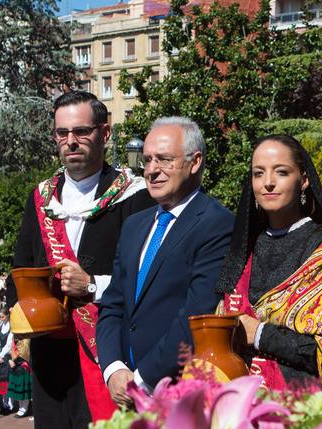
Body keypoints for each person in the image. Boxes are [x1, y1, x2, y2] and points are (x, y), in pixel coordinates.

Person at [8, 91, 153, 429]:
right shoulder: (41, 198)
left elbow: (146, 277)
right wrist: (20, 323)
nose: (70, 141)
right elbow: (19, 270)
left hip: (107, 352)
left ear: (105, 134)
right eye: (62, 133)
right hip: (50, 355)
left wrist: (91, 286)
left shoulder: (135, 196)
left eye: (82, 131)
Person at [98, 116, 233, 407]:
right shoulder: (135, 225)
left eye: (164, 159)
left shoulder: (217, 224)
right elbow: (113, 303)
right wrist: (113, 369)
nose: (151, 170)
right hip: (125, 393)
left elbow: (196, 314)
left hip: (178, 394)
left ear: (195, 162)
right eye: (147, 160)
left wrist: (143, 379)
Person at [215, 135, 322, 397]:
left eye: (281, 172)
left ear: (304, 180)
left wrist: (260, 334)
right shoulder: (244, 250)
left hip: (302, 410)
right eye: (258, 174)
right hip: (238, 409)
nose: (268, 182)